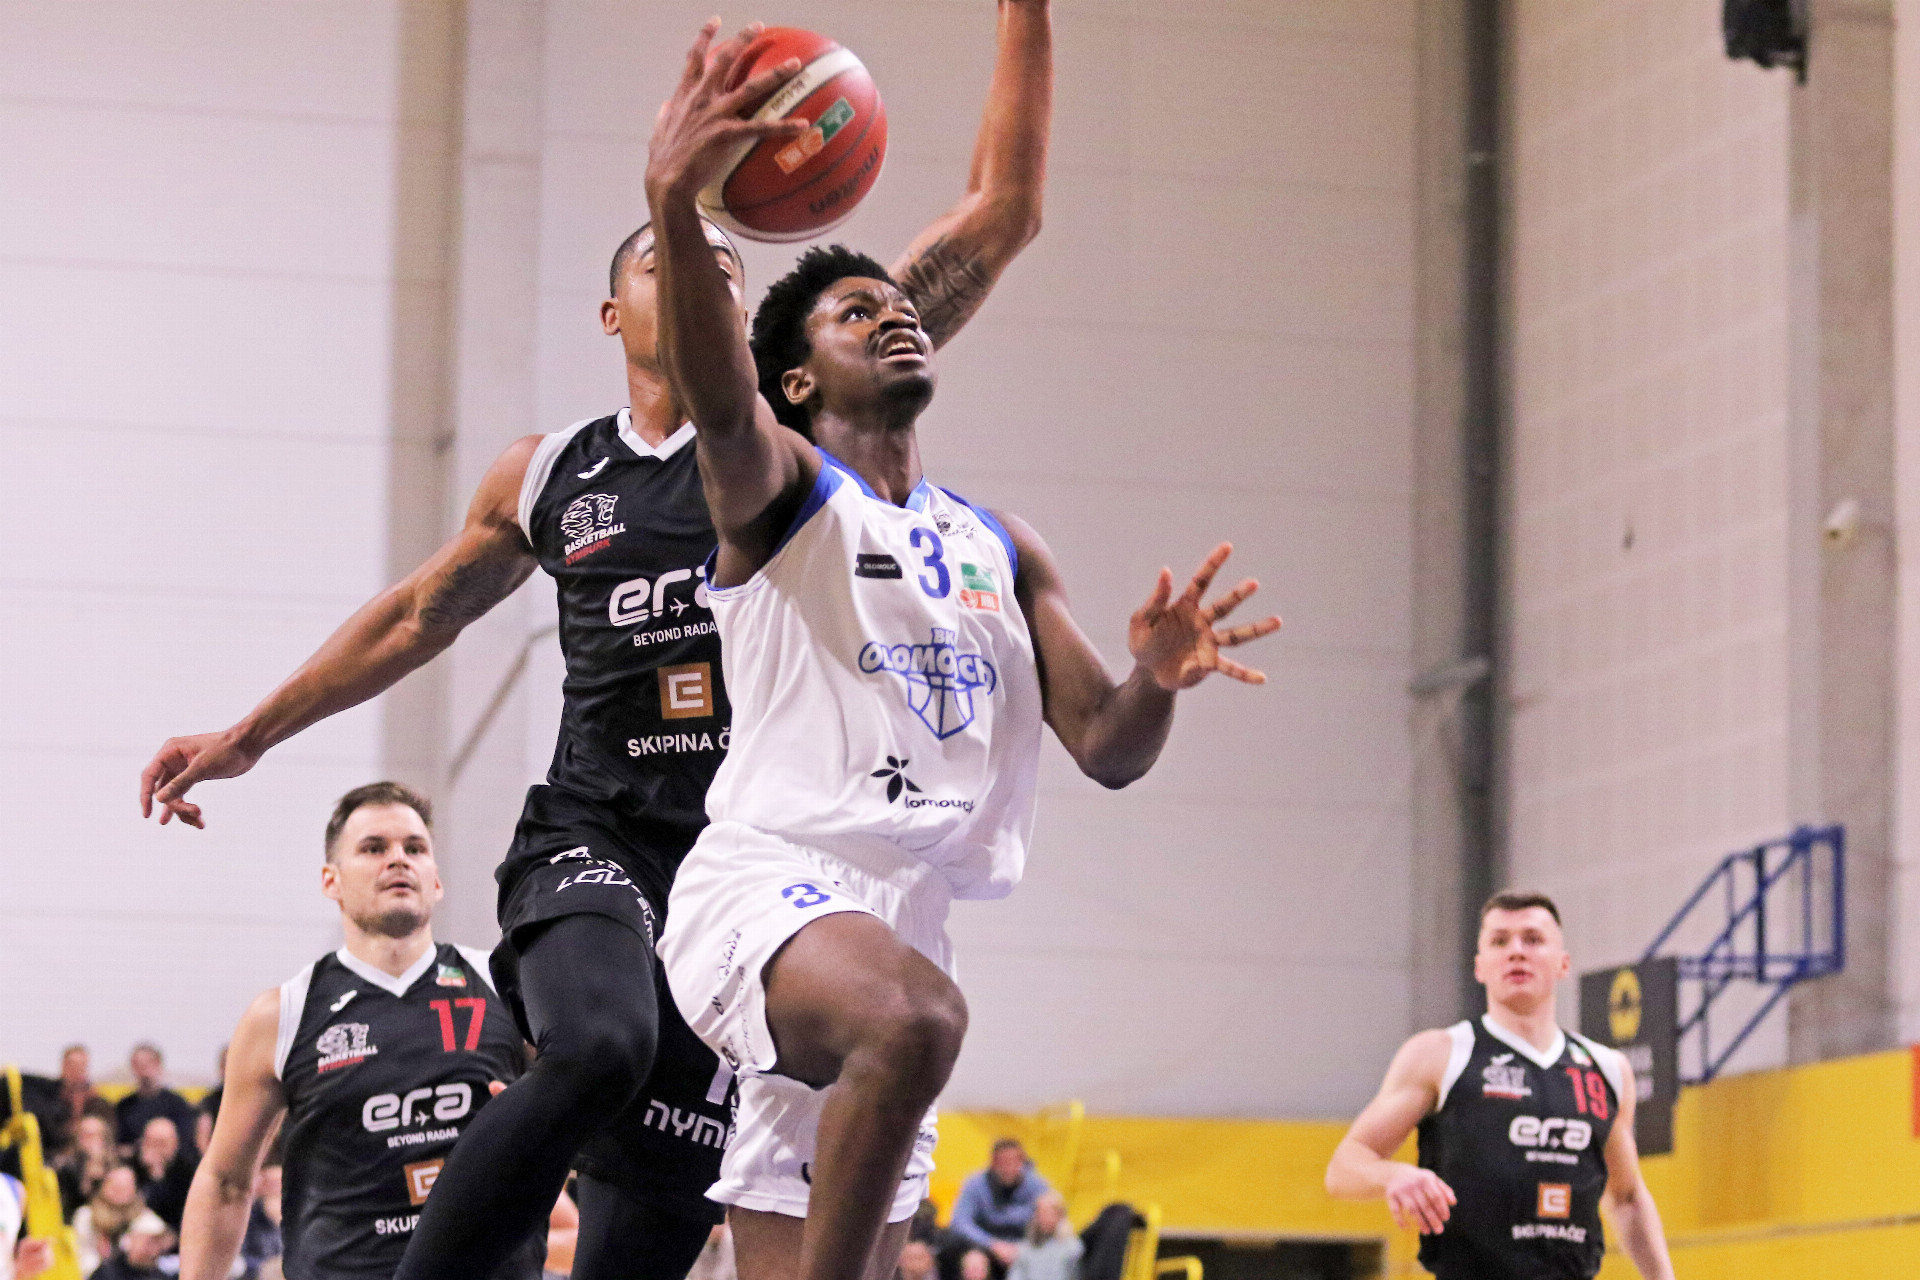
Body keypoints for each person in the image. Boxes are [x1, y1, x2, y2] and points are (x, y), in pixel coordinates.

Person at [138, 6, 1055, 1280]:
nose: (705, 274)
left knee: (651, 1221)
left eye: (729, 266)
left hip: (743, 872)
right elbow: (417, 614)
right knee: (602, 1043)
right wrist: (250, 734)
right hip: (597, 834)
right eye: (671, 259)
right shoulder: (554, 471)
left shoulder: (797, 439)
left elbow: (1000, 213)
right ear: (615, 311)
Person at [642, 22, 1280, 1280]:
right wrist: (672, 194)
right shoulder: (782, 492)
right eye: (856, 311)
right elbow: (719, 399)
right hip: (771, 885)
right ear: (795, 383)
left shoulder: (999, 543)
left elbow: (1107, 748)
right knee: (919, 1019)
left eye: (898, 305)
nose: (894, 315)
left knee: (885, 1094)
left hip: (907, 911)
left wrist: (1157, 677)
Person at [177, 783, 544, 1280]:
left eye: (415, 848)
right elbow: (225, 1181)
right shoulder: (281, 1014)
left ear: (436, 880)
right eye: (374, 848)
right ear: (331, 881)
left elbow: (595, 1125)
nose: (398, 859)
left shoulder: (509, 983)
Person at [1324, 891, 1676, 1280]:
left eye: (1533, 939)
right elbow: (1343, 1167)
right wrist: (1392, 1175)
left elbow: (1627, 1198)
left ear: (1563, 963)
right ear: (1480, 967)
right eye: (1500, 941)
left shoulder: (1607, 1068)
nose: (1516, 952)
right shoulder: (1441, 1054)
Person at [948, 1141, 1048, 1273]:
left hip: (1025, 1247)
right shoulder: (975, 1184)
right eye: (1003, 1162)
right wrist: (992, 1244)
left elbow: (1051, 1220)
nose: (1009, 1168)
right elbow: (960, 1222)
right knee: (974, 1263)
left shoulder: (1037, 1186)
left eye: (1014, 1162)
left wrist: (1021, 1248)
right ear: (993, 1163)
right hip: (985, 1246)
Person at [113, 1046, 199, 1158]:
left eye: (148, 1064)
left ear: (159, 1065)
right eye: (138, 1065)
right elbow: (119, 1146)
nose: (144, 1071)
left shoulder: (177, 1104)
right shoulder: (124, 1107)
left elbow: (186, 1142)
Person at [73, 1166, 143, 1276]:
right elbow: (81, 1254)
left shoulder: (141, 1217)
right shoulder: (86, 1215)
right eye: (115, 1185)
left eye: (125, 1187)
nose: (119, 1191)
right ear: (104, 1186)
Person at [133, 1117, 196, 1230]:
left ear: (175, 1144)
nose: (155, 1149)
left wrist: (157, 1174)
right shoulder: (132, 1167)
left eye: (161, 1143)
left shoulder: (188, 1171)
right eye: (150, 1142)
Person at [1005, 1195, 1077, 1280]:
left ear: (1060, 1216)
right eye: (1041, 1213)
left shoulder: (1073, 1249)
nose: (1044, 1218)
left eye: (1050, 1213)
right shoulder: (1025, 1249)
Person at [91, 1211, 174, 1280]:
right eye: (149, 1243)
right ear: (129, 1240)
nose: (155, 1251)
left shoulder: (160, 1276)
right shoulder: (107, 1273)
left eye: (158, 1244)